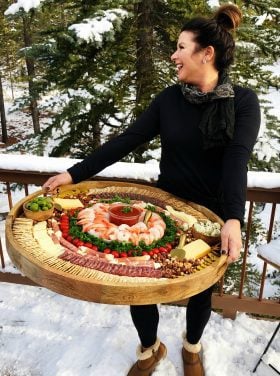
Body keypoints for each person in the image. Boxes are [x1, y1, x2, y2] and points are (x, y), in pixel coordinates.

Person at [43, 4, 260, 376]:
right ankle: (149, 349)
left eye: (181, 47)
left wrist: (233, 218)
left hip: (211, 215)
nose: (173, 55)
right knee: (138, 283)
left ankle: (192, 346)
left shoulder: (242, 102)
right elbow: (126, 140)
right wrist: (74, 173)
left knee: (201, 292)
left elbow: (237, 159)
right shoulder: (169, 100)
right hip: (164, 210)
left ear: (206, 54)